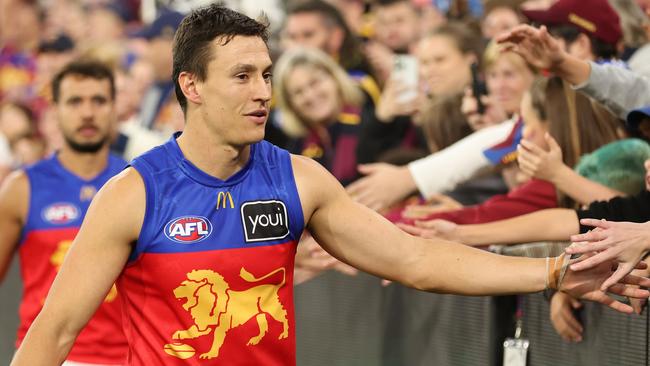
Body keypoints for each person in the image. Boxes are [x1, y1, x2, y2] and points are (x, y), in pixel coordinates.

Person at [11, 6, 650, 365]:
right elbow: (55, 332)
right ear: (191, 86)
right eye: (241, 76)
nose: (263, 91)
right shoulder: (133, 194)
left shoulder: (299, 178)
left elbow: (417, 260)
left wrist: (553, 274)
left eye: (266, 73)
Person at [0, 60, 128, 364]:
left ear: (114, 108)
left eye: (98, 100)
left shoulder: (139, 184)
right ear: (55, 110)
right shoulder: (22, 187)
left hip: (127, 357)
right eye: (75, 101)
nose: (87, 112)